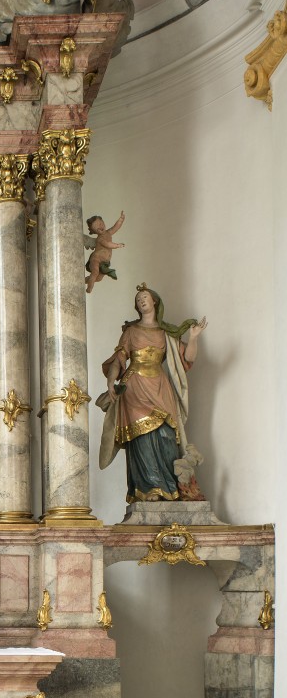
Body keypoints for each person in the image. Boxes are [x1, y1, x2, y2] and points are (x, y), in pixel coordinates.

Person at [98, 283, 207, 503]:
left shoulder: (167, 333)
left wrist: (194, 337)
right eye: (138, 299)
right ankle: (148, 490)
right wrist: (111, 381)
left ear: (155, 301)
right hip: (134, 386)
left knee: (167, 434)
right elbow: (119, 360)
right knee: (142, 437)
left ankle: (169, 488)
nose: (141, 301)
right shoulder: (131, 332)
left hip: (160, 385)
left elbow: (188, 359)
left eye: (145, 297)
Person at [84, 210, 125, 293]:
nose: (100, 227)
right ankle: (89, 288)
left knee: (98, 278)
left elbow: (115, 227)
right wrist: (117, 245)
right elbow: (107, 244)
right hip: (96, 259)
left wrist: (121, 219)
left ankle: (83, 281)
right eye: (97, 228)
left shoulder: (108, 233)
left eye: (100, 224)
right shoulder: (100, 239)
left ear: (103, 222)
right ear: (94, 231)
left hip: (104, 262)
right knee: (95, 273)